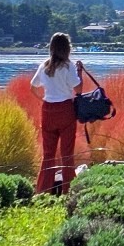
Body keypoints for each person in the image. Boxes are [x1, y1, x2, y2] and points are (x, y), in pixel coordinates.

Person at [30, 32, 83, 194]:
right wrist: (80, 73)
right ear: (67, 48)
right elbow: (78, 89)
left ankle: (42, 192)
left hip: (48, 110)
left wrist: (44, 99)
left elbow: (33, 87)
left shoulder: (44, 65)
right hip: (65, 109)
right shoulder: (69, 66)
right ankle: (68, 192)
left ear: (51, 47)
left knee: (48, 155)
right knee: (67, 154)